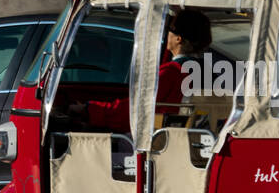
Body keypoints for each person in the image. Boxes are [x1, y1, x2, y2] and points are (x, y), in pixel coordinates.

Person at [68, 8, 212, 134]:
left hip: (161, 142)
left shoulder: (171, 72)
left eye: (169, 30)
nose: (166, 33)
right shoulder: (210, 73)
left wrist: (89, 109)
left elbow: (134, 110)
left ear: (178, 39)